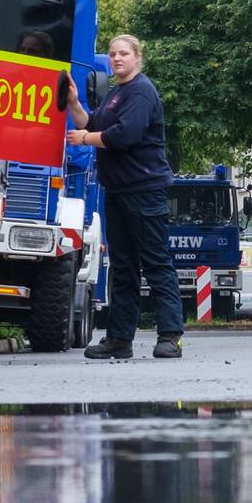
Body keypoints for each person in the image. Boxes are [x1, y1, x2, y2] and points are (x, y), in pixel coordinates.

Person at [73, 34, 183, 360]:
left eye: (123, 53)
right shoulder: (115, 93)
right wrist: (74, 103)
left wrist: (85, 139)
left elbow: (125, 135)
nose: (116, 58)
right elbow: (91, 123)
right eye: (112, 54)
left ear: (138, 57)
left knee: (156, 263)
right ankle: (119, 340)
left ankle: (170, 337)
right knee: (123, 267)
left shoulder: (141, 91)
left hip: (144, 190)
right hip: (118, 191)